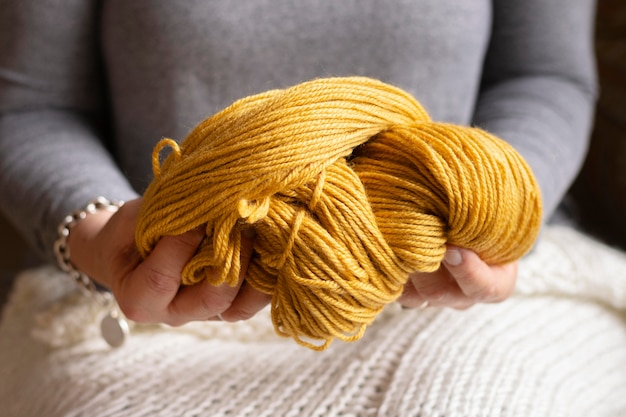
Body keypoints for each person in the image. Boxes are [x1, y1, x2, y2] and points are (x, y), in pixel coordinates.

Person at [0, 1, 597, 327]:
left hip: (455, 280)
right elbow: (32, 106)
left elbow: (545, 76)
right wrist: (96, 235)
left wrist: (503, 207)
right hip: (137, 290)